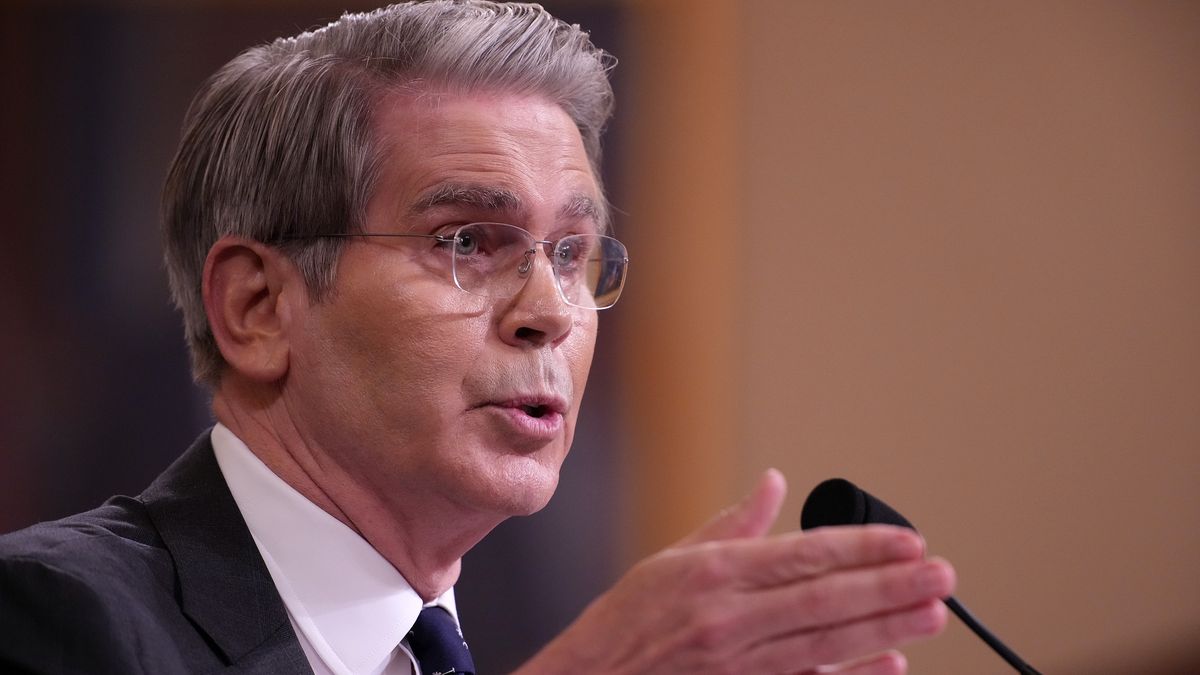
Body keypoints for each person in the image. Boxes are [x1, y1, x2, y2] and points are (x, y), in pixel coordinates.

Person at [0, 2, 956, 673]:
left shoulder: (446, 650)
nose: (549, 308)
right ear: (257, 307)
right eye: (466, 240)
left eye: (575, 252)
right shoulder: (56, 617)